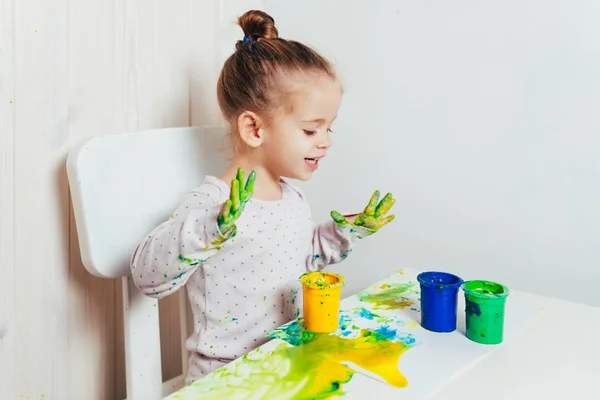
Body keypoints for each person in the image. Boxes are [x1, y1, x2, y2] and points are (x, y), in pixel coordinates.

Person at [130, 9, 396, 384]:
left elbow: (300, 258)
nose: (326, 141)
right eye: (310, 130)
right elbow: (146, 277)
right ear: (254, 128)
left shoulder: (292, 199)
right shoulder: (214, 204)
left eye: (329, 128)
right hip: (226, 380)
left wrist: (345, 233)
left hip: (285, 365)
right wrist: (211, 227)